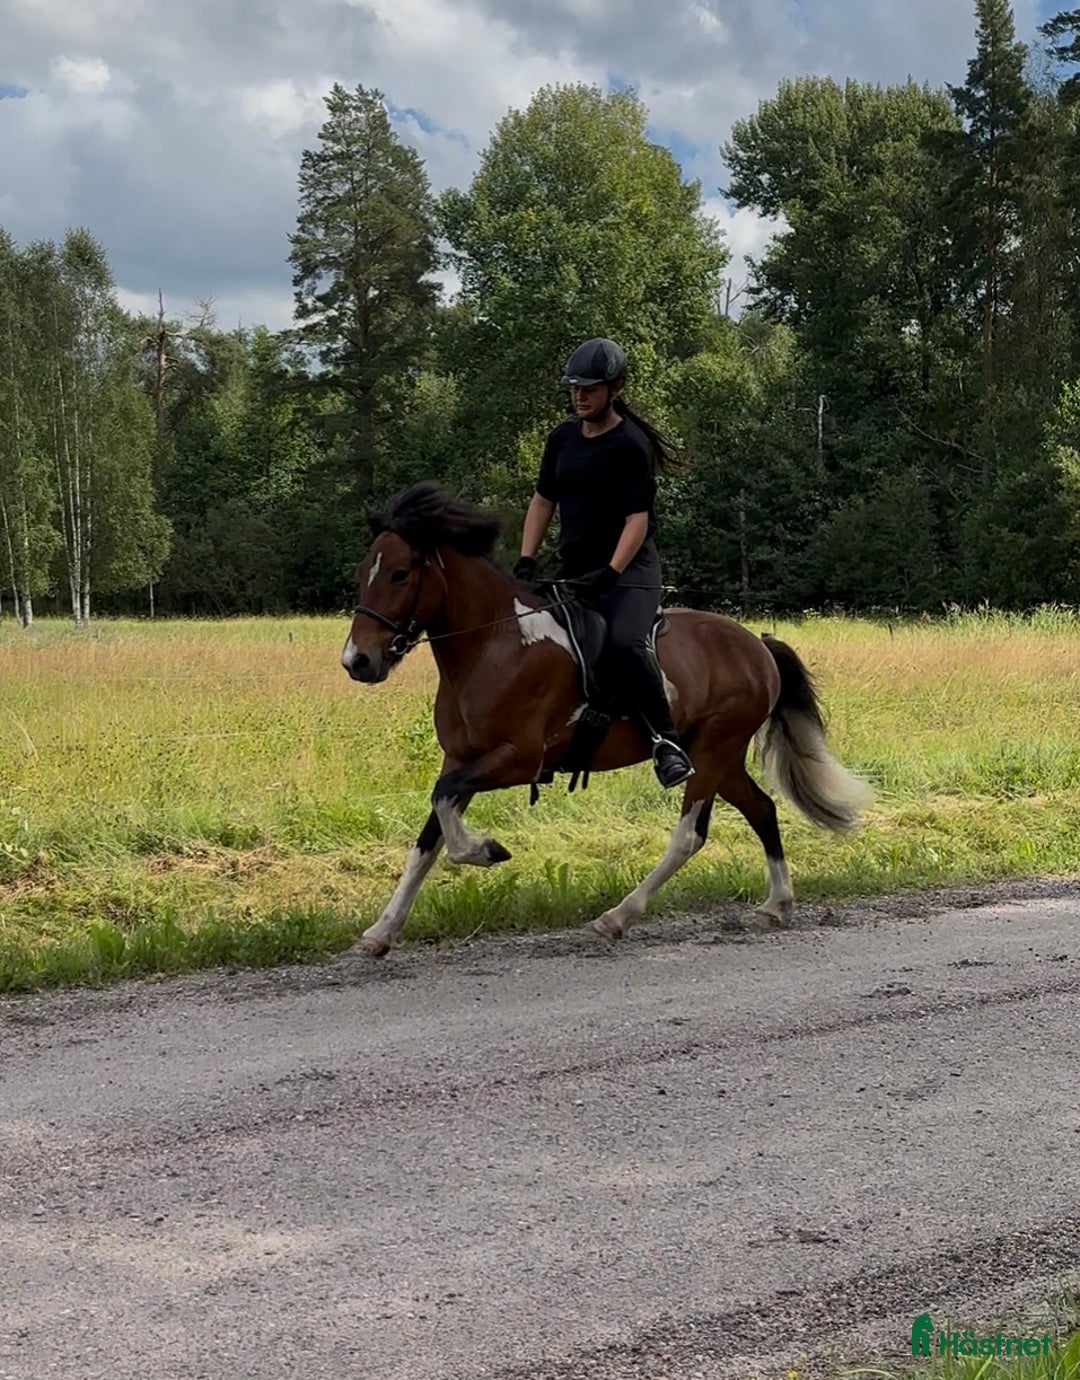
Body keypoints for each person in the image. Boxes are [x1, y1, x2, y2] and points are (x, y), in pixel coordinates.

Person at [513, 337, 695, 789]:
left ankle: (665, 741)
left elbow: (638, 520)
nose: (579, 396)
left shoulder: (630, 445)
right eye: (574, 388)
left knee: (623, 644)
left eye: (589, 389)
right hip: (573, 568)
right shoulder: (562, 438)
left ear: (614, 388)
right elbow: (542, 501)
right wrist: (525, 558)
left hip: (627, 573)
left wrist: (612, 572)